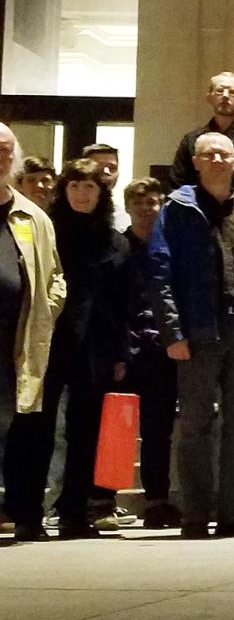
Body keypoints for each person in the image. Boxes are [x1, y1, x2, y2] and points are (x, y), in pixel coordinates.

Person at [148, 131, 234, 538]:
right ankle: (195, 515)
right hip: (196, 331)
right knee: (194, 426)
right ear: (195, 161)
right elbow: (160, 272)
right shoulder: (176, 210)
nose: (216, 159)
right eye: (208, 154)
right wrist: (172, 331)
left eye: (223, 154)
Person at [36, 161, 129, 539]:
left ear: (100, 193)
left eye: (89, 186)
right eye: (74, 185)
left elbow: (123, 302)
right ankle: (28, 510)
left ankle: (75, 511)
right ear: (64, 190)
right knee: (39, 426)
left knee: (85, 430)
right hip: (50, 341)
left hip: (98, 346)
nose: (81, 193)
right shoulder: (48, 233)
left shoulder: (115, 241)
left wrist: (121, 352)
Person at [0, 125, 67, 543]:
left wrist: (46, 310)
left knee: (14, 427)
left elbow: (56, 276)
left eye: (6, 150)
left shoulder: (33, 216)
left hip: (18, 342)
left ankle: (21, 512)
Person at [119, 178, 178, 529]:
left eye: (153, 202)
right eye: (139, 202)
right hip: (124, 352)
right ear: (128, 206)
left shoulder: (171, 247)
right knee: (116, 428)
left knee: (159, 431)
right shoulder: (117, 246)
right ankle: (103, 500)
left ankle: (157, 501)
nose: (146, 208)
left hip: (161, 351)